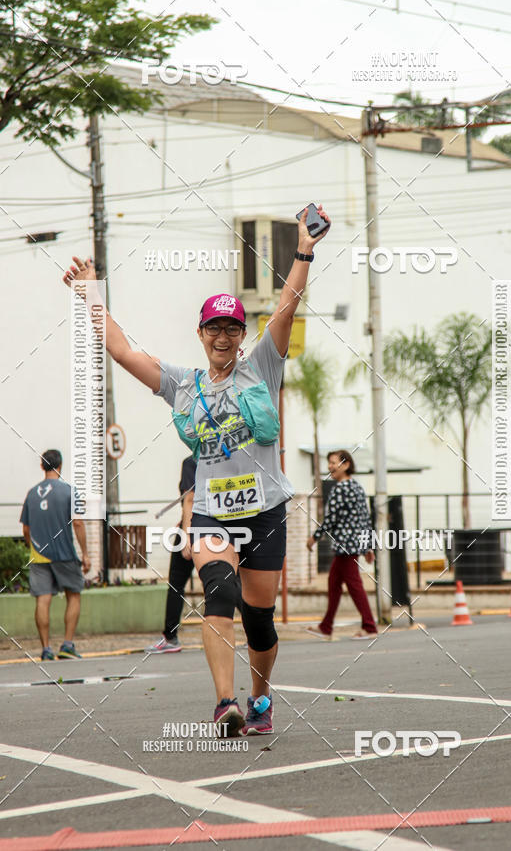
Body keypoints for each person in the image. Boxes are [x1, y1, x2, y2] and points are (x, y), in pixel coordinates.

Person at [62, 204, 330, 736]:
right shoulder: (182, 383)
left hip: (267, 510)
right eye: (215, 328)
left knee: (258, 620)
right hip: (211, 512)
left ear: (242, 332)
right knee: (219, 593)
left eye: (233, 328)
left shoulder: (262, 365)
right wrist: (89, 291)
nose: (224, 337)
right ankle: (224, 703)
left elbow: (288, 302)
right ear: (201, 332)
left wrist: (305, 248)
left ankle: (259, 698)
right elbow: (120, 349)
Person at [146, 455, 242, 653]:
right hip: (224, 529)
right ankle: (256, 631)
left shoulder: (193, 462)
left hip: (197, 529)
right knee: (232, 581)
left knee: (176, 582)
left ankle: (171, 638)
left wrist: (187, 534)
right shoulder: (228, 458)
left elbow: (189, 499)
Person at [20, 449, 91, 661]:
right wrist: (85, 554)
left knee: (43, 600)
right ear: (60, 466)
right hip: (65, 554)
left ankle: (46, 649)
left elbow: (25, 529)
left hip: (39, 555)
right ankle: (67, 645)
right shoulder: (70, 491)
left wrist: (32, 546)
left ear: (43, 466)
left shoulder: (31, 493)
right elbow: (78, 522)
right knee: (74, 594)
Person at [306, 450, 378, 641]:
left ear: (345, 465)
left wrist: (314, 537)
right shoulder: (357, 487)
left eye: (333, 463)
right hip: (353, 545)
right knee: (334, 583)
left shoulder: (340, 489)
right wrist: (368, 546)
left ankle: (370, 626)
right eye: (329, 463)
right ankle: (326, 626)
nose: (330, 467)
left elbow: (330, 520)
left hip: (345, 545)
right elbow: (366, 519)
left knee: (354, 585)